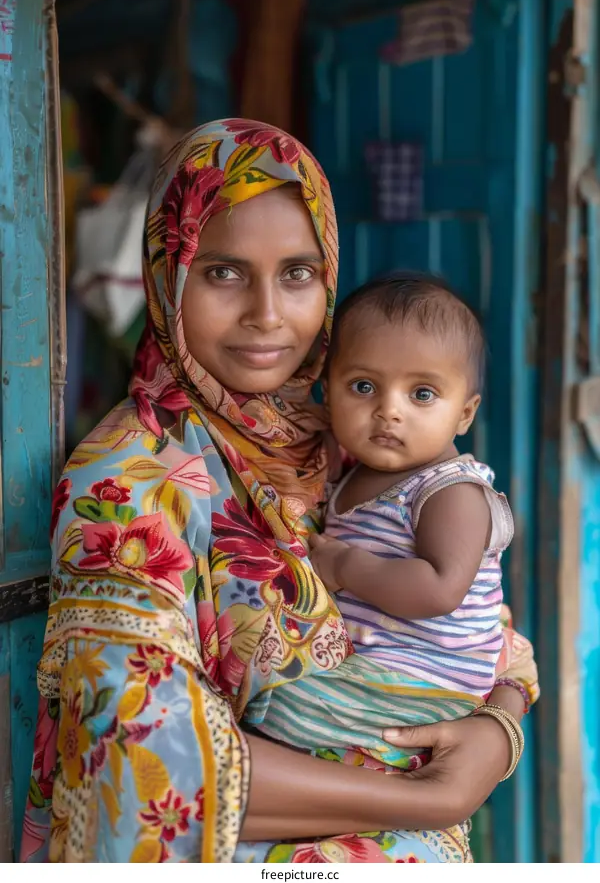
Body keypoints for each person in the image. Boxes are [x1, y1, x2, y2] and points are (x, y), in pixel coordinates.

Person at [21, 119, 539, 864]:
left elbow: (482, 619)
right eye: (223, 272)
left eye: (297, 273)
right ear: (167, 274)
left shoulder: (345, 431)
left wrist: (500, 728)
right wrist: (436, 796)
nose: (267, 313)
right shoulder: (127, 481)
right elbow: (149, 759)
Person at [259, 274, 517, 768]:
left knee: (274, 715)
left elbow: (440, 590)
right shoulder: (354, 474)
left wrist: (346, 566)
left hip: (425, 686)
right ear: (328, 396)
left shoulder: (451, 491)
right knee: (270, 712)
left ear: (464, 414)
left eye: (422, 394)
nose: (388, 411)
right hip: (377, 677)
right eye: (363, 386)